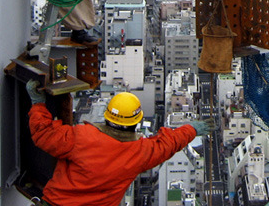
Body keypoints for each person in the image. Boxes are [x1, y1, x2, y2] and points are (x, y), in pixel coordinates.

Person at [26, 80, 213, 206]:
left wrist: (38, 104)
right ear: (136, 122)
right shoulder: (139, 153)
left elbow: (43, 133)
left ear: (107, 116)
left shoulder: (80, 137)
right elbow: (167, 144)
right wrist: (192, 129)